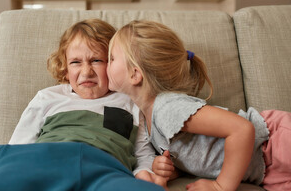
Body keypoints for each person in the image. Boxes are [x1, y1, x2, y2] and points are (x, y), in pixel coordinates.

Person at [0, 19, 164, 191]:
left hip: (105, 168)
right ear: (65, 69)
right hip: (45, 160)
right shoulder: (49, 97)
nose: (86, 72)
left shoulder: (129, 101)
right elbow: (19, 146)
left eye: (96, 60)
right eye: (76, 62)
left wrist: (145, 172)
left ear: (112, 63)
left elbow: (141, 154)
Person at [107, 20, 291, 191]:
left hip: (274, 143)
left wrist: (220, 186)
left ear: (135, 74)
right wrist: (171, 169)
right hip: (265, 171)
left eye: (112, 58)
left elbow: (242, 129)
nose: (106, 64)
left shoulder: (167, 108)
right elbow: (197, 155)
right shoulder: (147, 120)